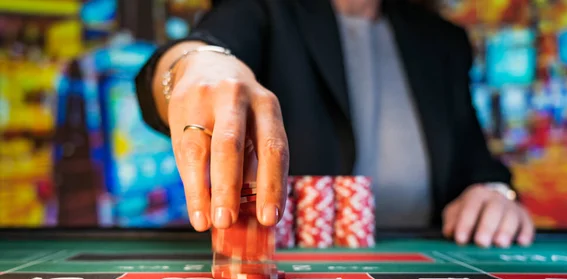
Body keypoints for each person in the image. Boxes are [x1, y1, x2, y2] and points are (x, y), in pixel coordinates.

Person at [135, 0, 535, 248]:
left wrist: (495, 192)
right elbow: (187, 56)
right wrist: (195, 63)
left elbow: (477, 162)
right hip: (302, 261)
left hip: (426, 258)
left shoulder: (440, 39)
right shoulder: (262, 9)